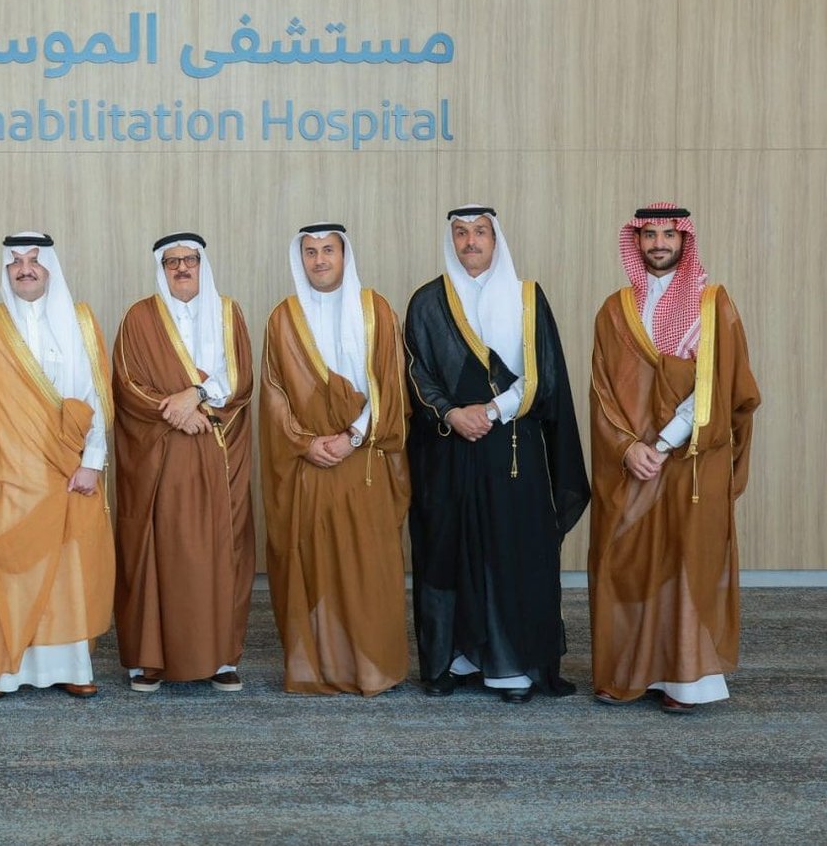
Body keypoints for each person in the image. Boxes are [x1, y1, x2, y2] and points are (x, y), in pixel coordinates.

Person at [403, 206, 588, 703]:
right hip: (449, 448)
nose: (470, 241)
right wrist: (451, 413)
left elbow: (544, 372)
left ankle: (512, 665)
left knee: (512, 549)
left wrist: (492, 409)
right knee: (451, 550)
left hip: (511, 447)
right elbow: (416, 372)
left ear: (495, 238)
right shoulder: (427, 301)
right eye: (461, 233)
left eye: (480, 232)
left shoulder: (527, 298)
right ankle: (456, 657)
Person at [589, 203, 760, 713]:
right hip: (633, 460)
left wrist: (663, 443)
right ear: (636, 242)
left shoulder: (713, 304)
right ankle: (628, 670)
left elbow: (718, 384)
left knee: (686, 561)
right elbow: (603, 392)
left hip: (691, 458)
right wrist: (628, 447)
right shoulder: (615, 309)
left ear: (685, 241)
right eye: (650, 235)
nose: (659, 243)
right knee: (629, 560)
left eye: (669, 234)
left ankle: (685, 679)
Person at [0, 233, 116, 699]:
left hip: (66, 469)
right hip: (4, 471)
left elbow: (97, 397)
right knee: (7, 571)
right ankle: (3, 672)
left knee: (67, 569)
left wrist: (93, 462)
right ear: (6, 271)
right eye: (16, 262)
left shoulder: (80, 320)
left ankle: (71, 667)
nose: (25, 269)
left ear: (50, 267)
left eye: (33, 261)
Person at [260, 224, 411, 695]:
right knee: (315, 564)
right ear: (300, 259)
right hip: (310, 461)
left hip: (364, 459)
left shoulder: (376, 310)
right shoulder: (283, 318)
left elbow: (391, 382)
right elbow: (273, 393)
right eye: (310, 252)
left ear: (345, 256)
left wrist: (354, 435)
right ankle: (319, 666)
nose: (320, 260)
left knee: (367, 567)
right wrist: (304, 442)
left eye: (328, 250)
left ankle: (371, 667)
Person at [111, 232, 254, 693]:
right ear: (162, 269)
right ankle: (151, 659)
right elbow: (127, 384)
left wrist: (195, 397)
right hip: (162, 453)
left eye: (189, 259)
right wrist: (174, 413)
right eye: (171, 262)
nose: (181, 268)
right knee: (160, 549)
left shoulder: (228, 313)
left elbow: (241, 379)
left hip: (217, 448)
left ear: (201, 264)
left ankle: (220, 657)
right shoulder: (139, 318)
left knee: (221, 549)